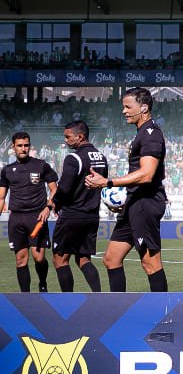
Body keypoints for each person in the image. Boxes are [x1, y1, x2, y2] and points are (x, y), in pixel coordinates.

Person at [85, 87, 170, 292]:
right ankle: (118, 309)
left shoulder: (151, 134)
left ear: (144, 108)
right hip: (133, 202)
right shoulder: (141, 134)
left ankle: (166, 317)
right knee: (111, 259)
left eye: (127, 107)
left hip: (145, 204)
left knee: (150, 263)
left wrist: (108, 182)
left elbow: (147, 174)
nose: (123, 111)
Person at [51, 121, 108, 292]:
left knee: (60, 259)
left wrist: (55, 203)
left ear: (80, 136)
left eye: (68, 137)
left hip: (72, 215)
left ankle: (68, 300)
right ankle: (99, 296)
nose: (66, 140)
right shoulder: (101, 157)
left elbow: (64, 188)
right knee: (84, 259)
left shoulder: (73, 158)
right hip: (91, 215)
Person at [0, 132, 58, 292]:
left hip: (37, 217)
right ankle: (25, 296)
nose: (23, 148)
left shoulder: (41, 165)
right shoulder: (7, 170)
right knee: (20, 260)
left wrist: (49, 207)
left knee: (39, 258)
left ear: (30, 146)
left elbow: (54, 189)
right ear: (13, 147)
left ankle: (43, 282)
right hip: (16, 218)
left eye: (26, 145)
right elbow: (1, 198)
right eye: (19, 145)